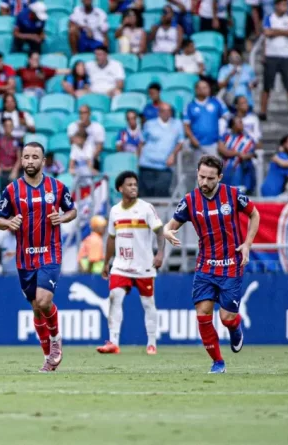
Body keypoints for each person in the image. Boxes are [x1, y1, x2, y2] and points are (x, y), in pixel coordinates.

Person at [163, 155, 260, 373]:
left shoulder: (233, 195)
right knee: (203, 314)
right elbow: (169, 225)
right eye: (201, 177)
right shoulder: (190, 200)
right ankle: (218, 362)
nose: (204, 182)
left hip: (230, 263)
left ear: (220, 177)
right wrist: (168, 232)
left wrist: (247, 244)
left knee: (226, 318)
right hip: (205, 265)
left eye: (210, 178)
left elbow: (255, 214)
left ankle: (235, 327)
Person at [0, 142, 77, 372]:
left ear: (43, 161)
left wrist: (64, 218)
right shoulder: (11, 190)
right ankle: (48, 357)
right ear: (22, 160)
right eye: (26, 157)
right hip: (25, 258)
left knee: (43, 301)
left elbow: (72, 210)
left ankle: (56, 339)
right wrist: (9, 222)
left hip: (50, 252)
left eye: (35, 157)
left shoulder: (57, 187)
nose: (30, 161)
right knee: (36, 307)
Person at [97, 171, 165, 355]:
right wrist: (106, 263)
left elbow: (160, 231)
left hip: (144, 265)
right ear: (120, 188)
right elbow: (111, 238)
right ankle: (113, 342)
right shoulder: (115, 211)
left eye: (135, 184)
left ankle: (151, 343)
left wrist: (160, 254)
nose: (133, 187)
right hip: (121, 265)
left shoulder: (146, 208)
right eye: (129, 185)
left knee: (148, 304)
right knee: (114, 297)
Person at [260, 0, 288, 121]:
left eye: (286, 5)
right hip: (271, 54)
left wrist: (275, 31)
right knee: (266, 86)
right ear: (276, 6)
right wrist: (283, 32)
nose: (285, 7)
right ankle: (263, 111)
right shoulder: (269, 18)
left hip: (286, 55)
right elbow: (267, 33)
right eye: (282, 5)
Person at [140, 102, 184, 196]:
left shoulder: (177, 124)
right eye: (164, 111)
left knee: (162, 193)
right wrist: (138, 158)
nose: (166, 113)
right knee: (146, 195)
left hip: (165, 166)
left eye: (169, 111)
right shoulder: (149, 124)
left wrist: (173, 155)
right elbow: (142, 142)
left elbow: (180, 142)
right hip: (147, 164)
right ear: (159, 112)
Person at [185, 80, 229, 157]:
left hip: (214, 145)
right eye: (202, 88)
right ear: (196, 90)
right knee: (198, 168)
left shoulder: (216, 102)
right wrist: (192, 138)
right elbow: (186, 125)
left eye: (206, 87)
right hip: (197, 145)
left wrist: (222, 139)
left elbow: (226, 118)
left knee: (214, 168)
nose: (205, 89)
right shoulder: (190, 106)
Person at [218, 115, 257, 193]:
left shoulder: (248, 139)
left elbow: (252, 154)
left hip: (242, 169)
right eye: (239, 123)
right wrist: (237, 153)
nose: (242, 125)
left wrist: (244, 156)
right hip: (226, 167)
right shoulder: (225, 136)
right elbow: (222, 150)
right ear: (233, 125)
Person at [0, 118, 22, 189]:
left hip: (12, 171)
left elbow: (19, 158)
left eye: (10, 126)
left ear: (13, 127)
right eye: (6, 126)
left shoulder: (17, 141)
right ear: (3, 127)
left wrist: (15, 170)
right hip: (1, 171)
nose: (8, 128)